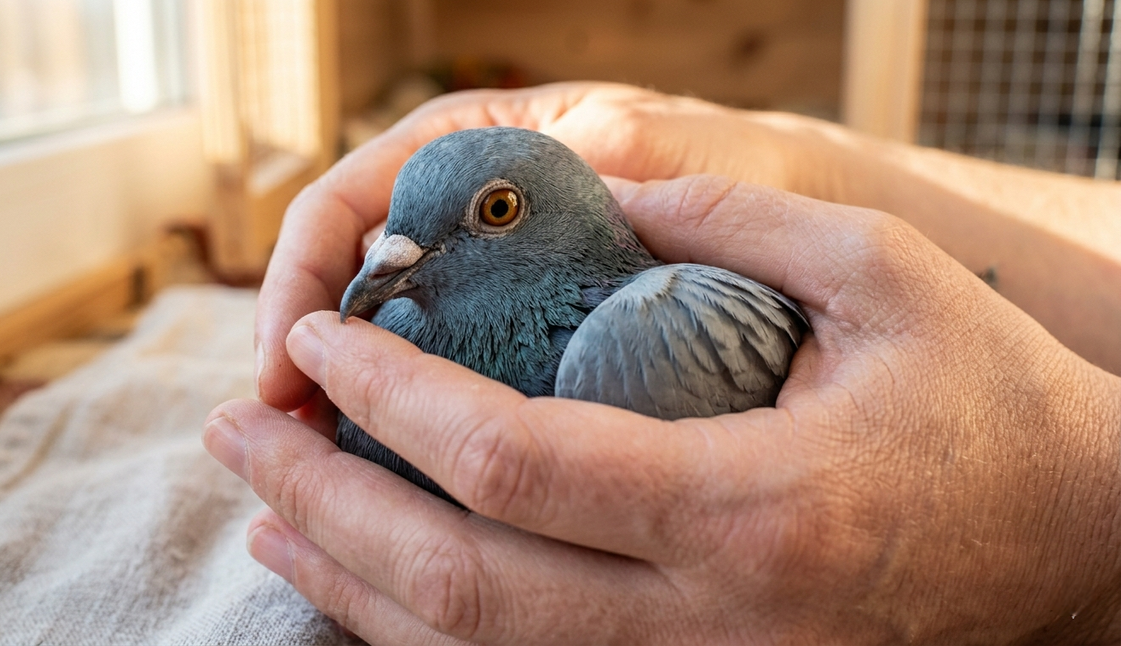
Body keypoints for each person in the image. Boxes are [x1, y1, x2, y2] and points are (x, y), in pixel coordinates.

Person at [203, 82, 1121, 644]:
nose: (388, 270)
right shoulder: (392, 332)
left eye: (496, 211)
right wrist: (821, 169)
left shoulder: (638, 341)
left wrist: (1088, 537)